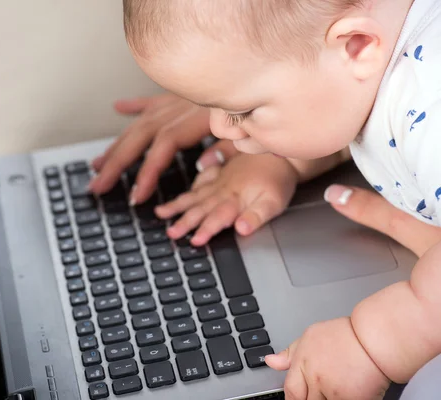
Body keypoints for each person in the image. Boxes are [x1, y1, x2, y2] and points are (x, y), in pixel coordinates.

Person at [90, 0, 441, 398]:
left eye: (241, 110)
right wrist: (285, 162)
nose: (218, 127)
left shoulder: (432, 105)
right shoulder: (385, 45)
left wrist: (372, 345)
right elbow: (362, 103)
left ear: (356, 45)